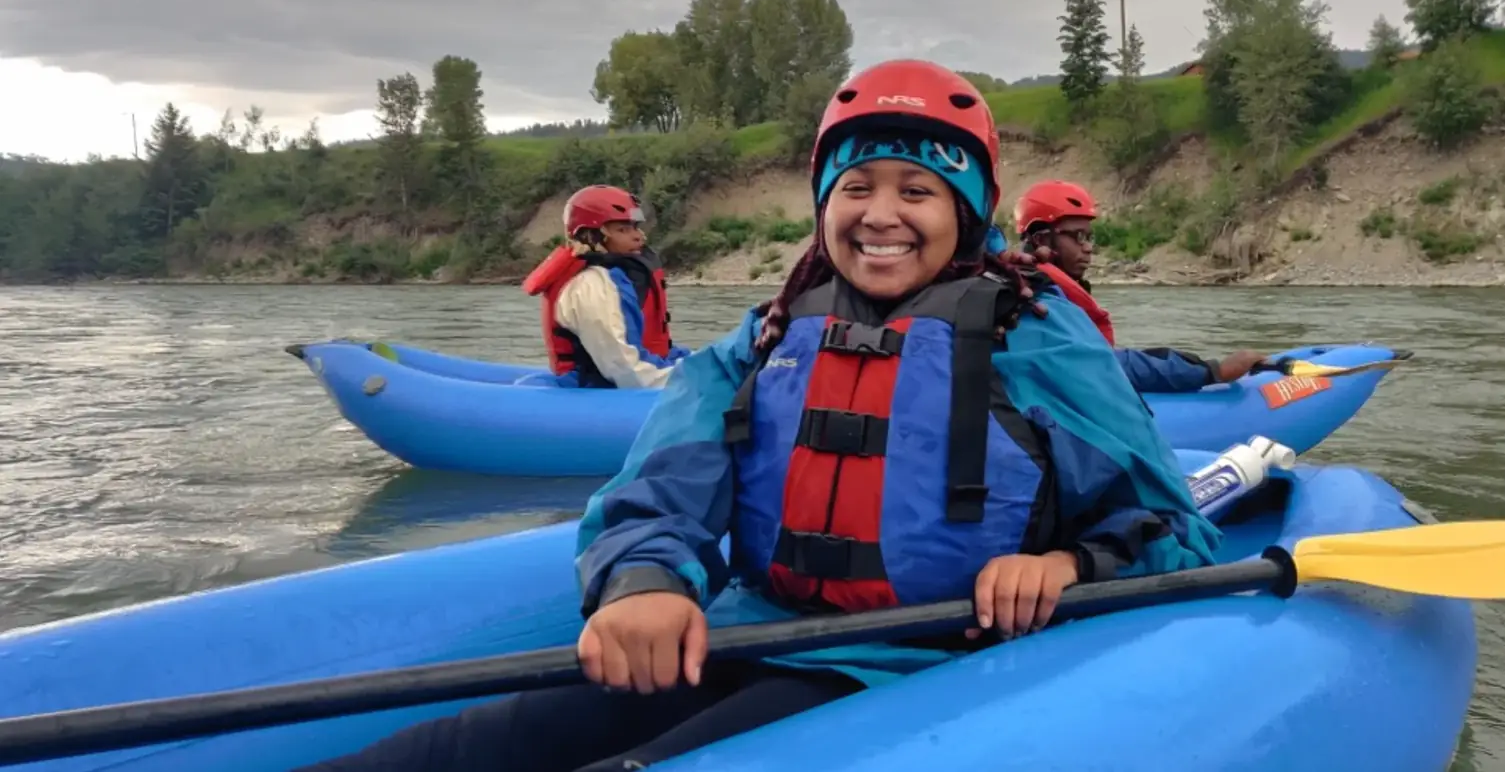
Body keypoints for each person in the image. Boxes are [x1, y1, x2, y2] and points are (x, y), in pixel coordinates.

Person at [298, 59, 1221, 772]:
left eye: (917, 191)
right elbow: (665, 478)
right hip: (751, 624)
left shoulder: (1039, 337)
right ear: (825, 207)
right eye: (855, 189)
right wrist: (646, 581)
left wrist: (1062, 563)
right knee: (456, 751)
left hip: (911, 665)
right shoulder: (773, 332)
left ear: (967, 211)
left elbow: (1170, 532)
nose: (880, 215)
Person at [1012, 180, 1269, 393]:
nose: (1088, 247)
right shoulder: (1036, 300)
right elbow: (1102, 364)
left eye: (1090, 237)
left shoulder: (1038, 286)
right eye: (1078, 236)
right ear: (1042, 240)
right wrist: (1214, 372)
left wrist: (1196, 365)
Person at [521, 185, 691, 389]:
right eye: (623, 229)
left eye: (635, 227)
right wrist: (693, 381)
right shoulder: (591, 287)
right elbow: (625, 369)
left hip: (636, 376)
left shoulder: (615, 278)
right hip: (598, 390)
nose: (639, 237)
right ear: (592, 236)